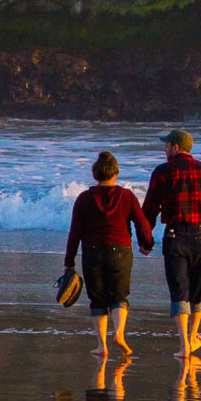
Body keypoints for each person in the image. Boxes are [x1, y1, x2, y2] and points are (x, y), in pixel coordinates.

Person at [140, 129, 201, 358]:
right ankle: (193, 336)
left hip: (174, 236)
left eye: (166, 145)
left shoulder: (162, 172)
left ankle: (185, 342)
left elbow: (150, 210)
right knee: (197, 290)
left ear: (176, 147)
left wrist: (146, 241)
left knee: (179, 291)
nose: (164, 148)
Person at [64, 150, 145, 356]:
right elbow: (141, 224)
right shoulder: (127, 196)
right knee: (119, 295)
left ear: (95, 174)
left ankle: (102, 346)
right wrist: (147, 243)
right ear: (115, 174)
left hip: (92, 252)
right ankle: (119, 333)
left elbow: (75, 233)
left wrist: (69, 262)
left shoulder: (83, 198)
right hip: (121, 251)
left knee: (97, 299)